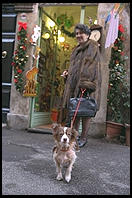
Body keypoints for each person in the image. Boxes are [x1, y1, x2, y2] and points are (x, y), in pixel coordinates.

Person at [60, 23, 102, 148]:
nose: (78, 35)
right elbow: (74, 68)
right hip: (75, 84)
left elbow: (91, 66)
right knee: (75, 111)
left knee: (85, 111)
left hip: (86, 85)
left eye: (81, 33)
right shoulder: (76, 49)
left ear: (88, 34)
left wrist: (85, 84)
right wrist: (68, 73)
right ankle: (75, 136)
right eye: (76, 33)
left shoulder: (92, 46)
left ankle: (83, 137)